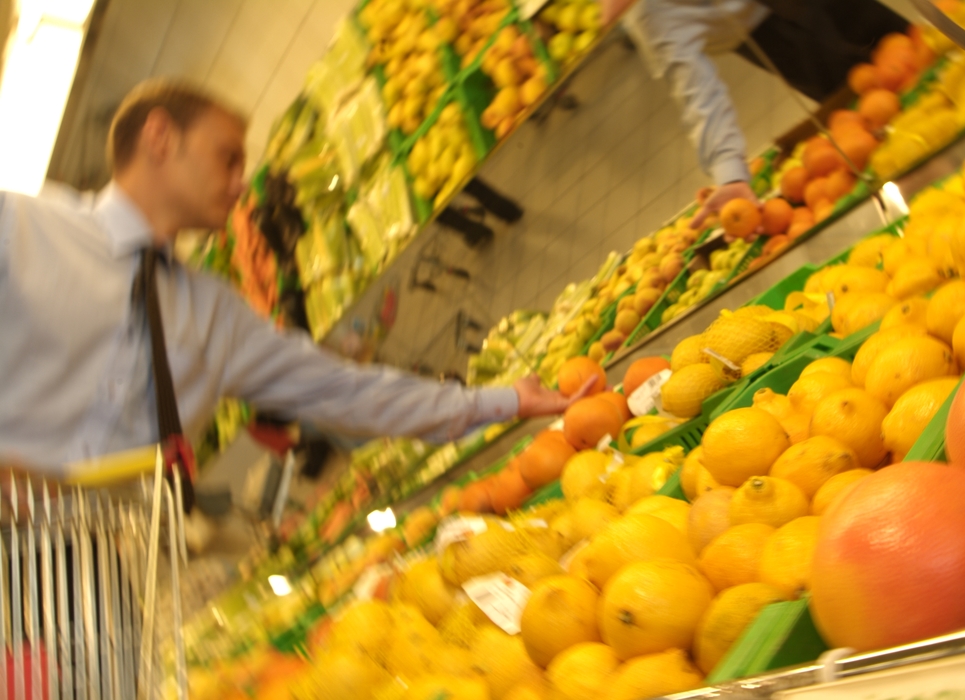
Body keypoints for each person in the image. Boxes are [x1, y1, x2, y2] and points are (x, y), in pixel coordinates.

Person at [0, 80, 580, 477]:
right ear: (159, 138)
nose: (239, 184)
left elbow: (346, 391)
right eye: (228, 158)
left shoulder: (214, 315)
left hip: (106, 612)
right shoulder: (23, 231)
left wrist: (502, 400)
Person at [601, 0, 908, 232]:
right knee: (857, 101)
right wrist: (729, 172)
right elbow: (697, 94)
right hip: (763, 34)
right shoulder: (649, 13)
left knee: (900, 46)